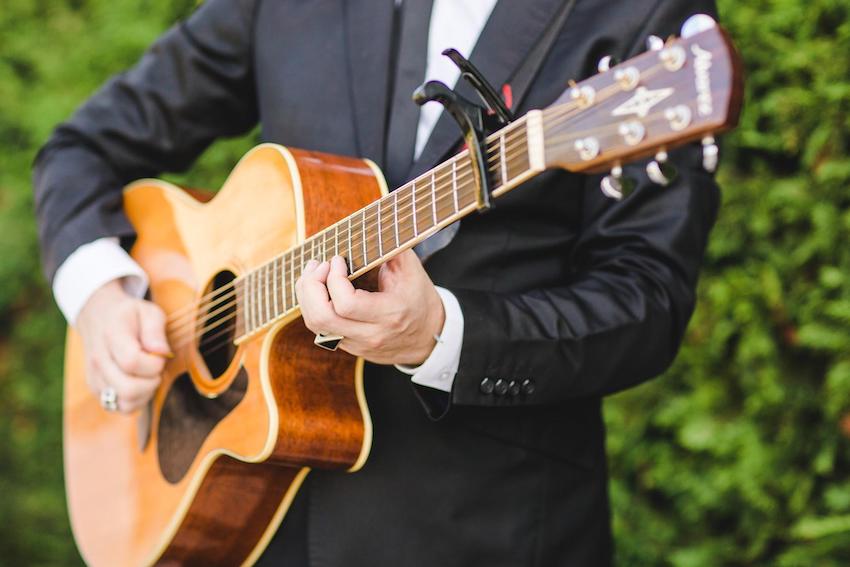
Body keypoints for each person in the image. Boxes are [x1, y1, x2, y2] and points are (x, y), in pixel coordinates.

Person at [33, 0, 721, 564]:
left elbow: (646, 301)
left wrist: (441, 335)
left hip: (482, 532)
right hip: (253, 530)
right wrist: (100, 292)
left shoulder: (640, 16)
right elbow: (80, 151)